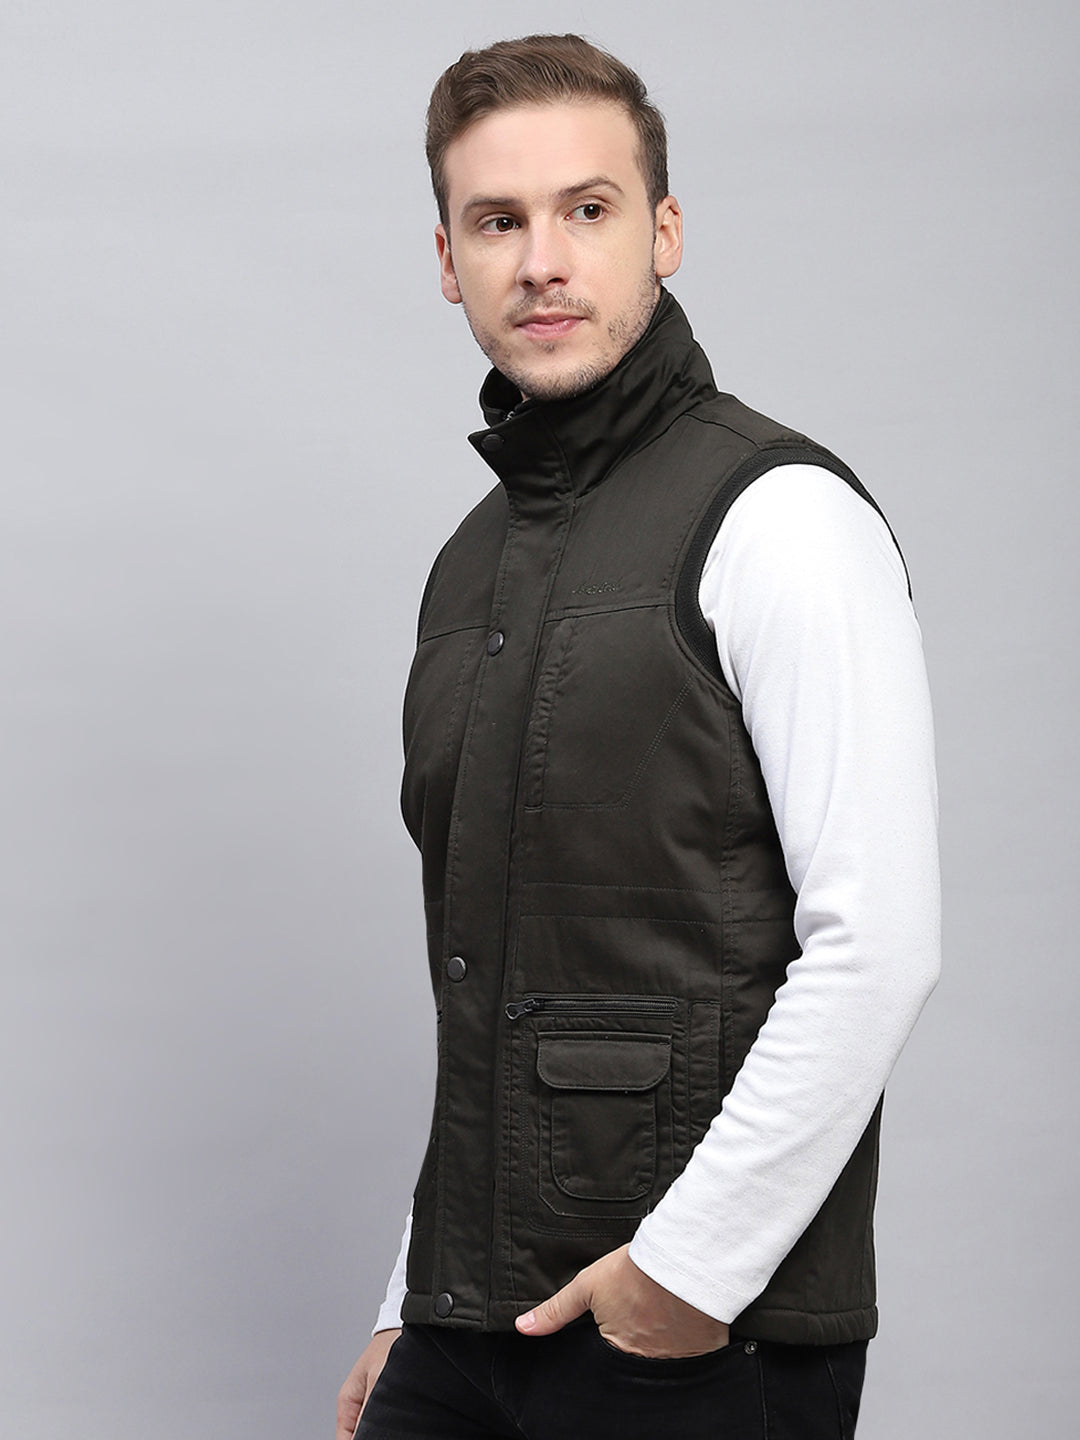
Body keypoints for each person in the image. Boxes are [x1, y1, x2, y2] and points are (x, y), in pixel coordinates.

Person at [337, 33, 940, 1440]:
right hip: (467, 1316)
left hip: (689, 1337)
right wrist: (410, 1292)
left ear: (664, 232)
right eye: (499, 221)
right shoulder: (467, 569)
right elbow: (490, 975)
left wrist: (685, 1280)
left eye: (588, 210)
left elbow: (878, 942)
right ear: (448, 260)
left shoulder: (783, 518)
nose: (543, 261)